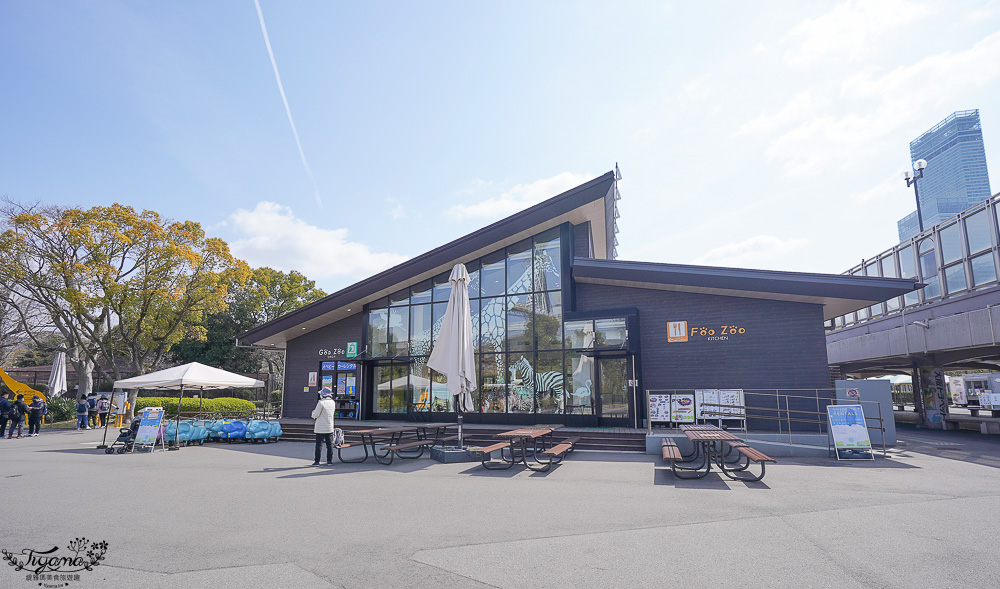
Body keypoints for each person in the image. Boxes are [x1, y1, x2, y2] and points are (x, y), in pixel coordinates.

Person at [310, 387, 337, 466]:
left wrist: (312, 413)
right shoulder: (332, 402)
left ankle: (317, 461)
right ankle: (329, 461)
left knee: (319, 445)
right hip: (329, 426)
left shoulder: (321, 403)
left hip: (320, 427)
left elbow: (315, 414)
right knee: (329, 445)